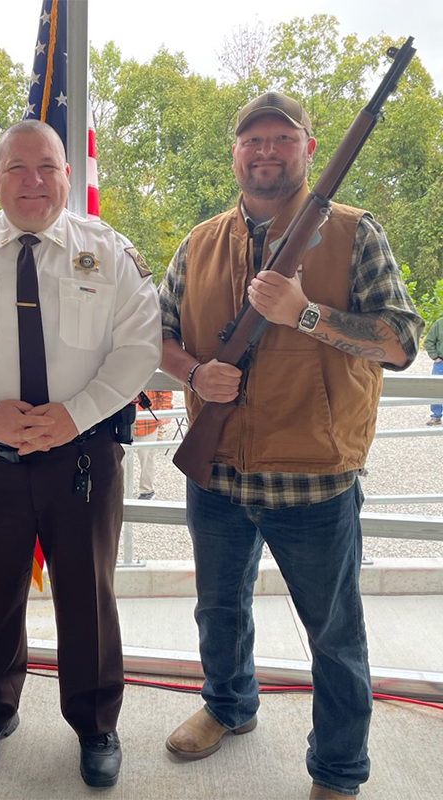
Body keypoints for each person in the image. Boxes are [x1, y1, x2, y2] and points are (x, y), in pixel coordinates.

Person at [158, 92, 423, 800]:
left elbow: (401, 341)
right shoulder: (200, 240)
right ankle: (227, 707)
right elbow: (158, 337)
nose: (266, 151)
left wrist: (303, 313)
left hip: (313, 479)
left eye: (282, 138)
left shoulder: (356, 233)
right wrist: (194, 372)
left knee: (334, 636)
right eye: (254, 140)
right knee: (218, 610)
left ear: (308, 147)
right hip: (215, 475)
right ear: (236, 152)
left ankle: (338, 771)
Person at [0, 119, 161, 788]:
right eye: (17, 168)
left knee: (88, 596)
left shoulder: (109, 253)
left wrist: (72, 416)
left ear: (67, 177)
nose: (33, 180)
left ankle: (96, 723)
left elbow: (139, 348)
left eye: (47, 167)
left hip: (81, 458)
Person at [133, 390, 172, 500]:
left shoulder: (151, 372)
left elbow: (165, 391)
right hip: (124, 422)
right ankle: (120, 488)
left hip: (147, 423)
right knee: (119, 459)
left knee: (147, 459)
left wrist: (165, 411)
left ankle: (147, 491)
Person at [423, 315, 443, 425]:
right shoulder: (439, 324)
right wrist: (436, 357)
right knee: (437, 389)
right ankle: (436, 416)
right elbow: (428, 342)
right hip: (441, 363)